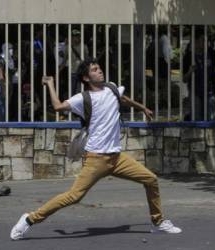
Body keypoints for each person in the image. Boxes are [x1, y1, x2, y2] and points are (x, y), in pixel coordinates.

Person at [10, 58, 182, 240]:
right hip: (96, 159)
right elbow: (58, 106)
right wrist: (51, 84)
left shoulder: (112, 88)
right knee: (74, 196)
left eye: (99, 68)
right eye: (94, 70)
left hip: (117, 158)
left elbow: (123, 99)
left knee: (151, 179)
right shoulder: (83, 98)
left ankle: (158, 222)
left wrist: (143, 108)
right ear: (86, 78)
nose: (99, 71)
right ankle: (29, 219)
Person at [183, 32, 215, 121]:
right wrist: (190, 72)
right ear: (196, 42)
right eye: (203, 40)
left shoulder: (211, 54)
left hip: (209, 92)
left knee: (210, 119)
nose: (206, 43)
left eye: (207, 41)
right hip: (195, 93)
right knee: (196, 120)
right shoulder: (188, 57)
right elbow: (184, 79)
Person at [0, 43, 16, 121]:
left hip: (9, 84)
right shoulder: (1, 60)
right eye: (9, 49)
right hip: (3, 85)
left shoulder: (10, 60)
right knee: (2, 103)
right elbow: (1, 76)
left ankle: (6, 120)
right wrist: (4, 88)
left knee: (7, 103)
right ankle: (2, 121)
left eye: (12, 48)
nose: (11, 50)